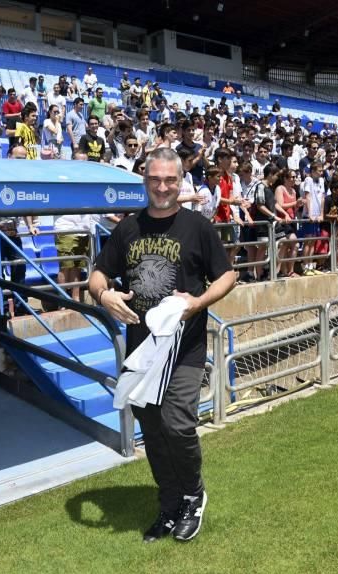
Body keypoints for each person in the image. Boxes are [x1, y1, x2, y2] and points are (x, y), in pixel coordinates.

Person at [89, 148, 237, 543]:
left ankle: (193, 495)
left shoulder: (196, 227)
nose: (162, 187)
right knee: (151, 430)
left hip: (183, 348)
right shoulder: (127, 229)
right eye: (155, 179)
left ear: (180, 181)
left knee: (176, 422)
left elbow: (227, 276)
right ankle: (169, 503)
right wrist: (104, 296)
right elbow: (97, 274)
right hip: (142, 351)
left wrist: (198, 302)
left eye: (170, 180)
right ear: (145, 181)